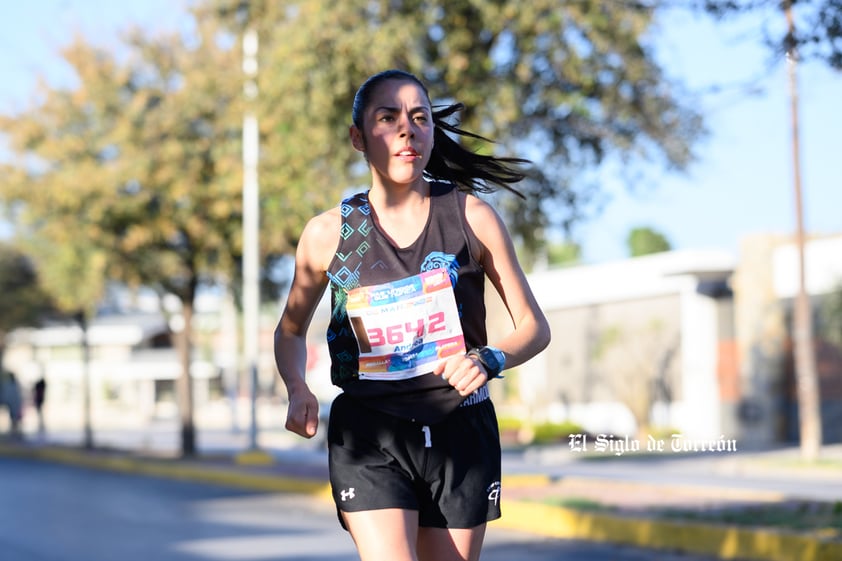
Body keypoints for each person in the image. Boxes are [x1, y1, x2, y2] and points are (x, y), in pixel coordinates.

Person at [273, 69, 551, 561]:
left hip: (460, 429)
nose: (408, 129)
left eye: (420, 117)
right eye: (389, 118)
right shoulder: (329, 234)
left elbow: (534, 327)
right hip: (370, 432)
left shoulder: (471, 217)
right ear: (358, 137)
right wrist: (297, 387)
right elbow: (291, 330)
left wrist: (489, 359)